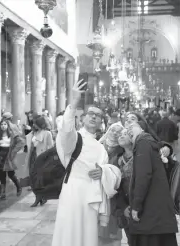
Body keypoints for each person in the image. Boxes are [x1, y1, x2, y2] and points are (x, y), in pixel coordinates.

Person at [52, 79, 122, 246]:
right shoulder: (75, 138)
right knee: (70, 233)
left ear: (101, 123)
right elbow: (66, 130)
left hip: (91, 197)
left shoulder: (101, 148)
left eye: (98, 116)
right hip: (73, 191)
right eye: (91, 113)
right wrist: (74, 102)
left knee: (89, 237)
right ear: (82, 118)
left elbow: (110, 171)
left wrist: (103, 172)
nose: (94, 117)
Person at [127, 122, 178, 246]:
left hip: (151, 214)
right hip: (158, 214)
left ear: (142, 128)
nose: (128, 129)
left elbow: (143, 176)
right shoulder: (148, 142)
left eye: (131, 125)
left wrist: (136, 205)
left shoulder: (143, 142)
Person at [0, 119, 25, 201]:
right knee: (1, 175)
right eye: (2, 124)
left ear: (8, 126)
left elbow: (21, 142)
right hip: (0, 155)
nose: (3, 126)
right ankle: (2, 194)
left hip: (9, 156)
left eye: (5, 124)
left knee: (11, 174)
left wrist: (13, 152)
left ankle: (19, 186)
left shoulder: (12, 134)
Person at [27, 116, 54, 207]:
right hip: (33, 156)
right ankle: (40, 197)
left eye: (35, 123)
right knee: (34, 178)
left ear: (40, 124)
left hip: (41, 157)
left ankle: (41, 197)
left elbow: (50, 148)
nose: (33, 125)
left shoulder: (47, 133)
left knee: (40, 179)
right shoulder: (33, 133)